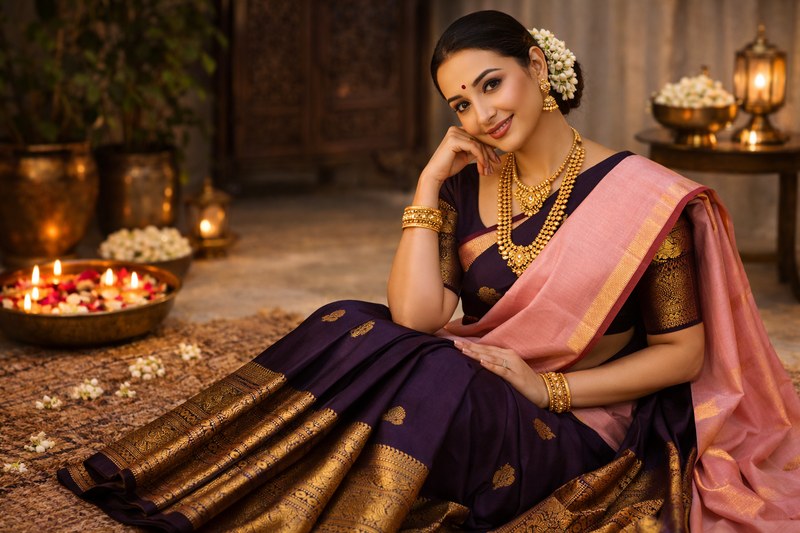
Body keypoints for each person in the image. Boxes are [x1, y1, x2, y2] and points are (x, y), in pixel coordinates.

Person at [58, 10, 800, 532]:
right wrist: (422, 187)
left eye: (491, 84)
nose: (480, 113)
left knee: (434, 376)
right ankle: (224, 481)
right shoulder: (463, 184)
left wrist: (549, 385)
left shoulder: (646, 199)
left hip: (575, 423)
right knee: (347, 319)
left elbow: (684, 355)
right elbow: (416, 315)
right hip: (486, 380)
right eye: (460, 102)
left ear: (536, 68)